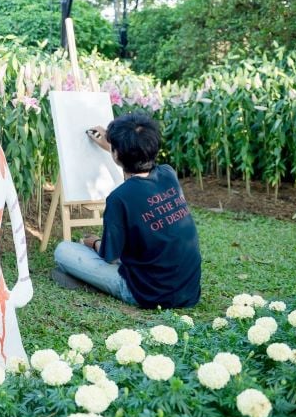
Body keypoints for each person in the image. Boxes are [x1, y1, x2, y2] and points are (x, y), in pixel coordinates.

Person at [52, 112, 201, 309]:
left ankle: (97, 283)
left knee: (63, 251)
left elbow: (110, 256)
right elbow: (138, 183)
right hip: (188, 290)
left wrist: (94, 242)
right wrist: (116, 147)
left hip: (147, 294)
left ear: (117, 154)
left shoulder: (118, 198)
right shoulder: (168, 174)